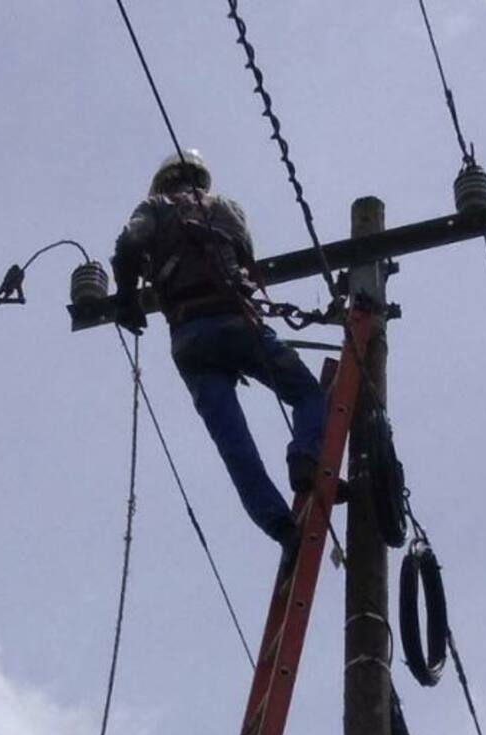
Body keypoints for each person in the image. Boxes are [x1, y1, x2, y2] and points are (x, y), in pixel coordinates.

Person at [110, 149, 325, 559]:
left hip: (189, 339)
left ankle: (281, 527)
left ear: (163, 181)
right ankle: (304, 455)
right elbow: (244, 259)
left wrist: (126, 299)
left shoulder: (153, 208)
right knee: (307, 394)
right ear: (201, 178)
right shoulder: (227, 208)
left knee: (233, 444)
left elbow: (129, 242)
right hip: (236, 323)